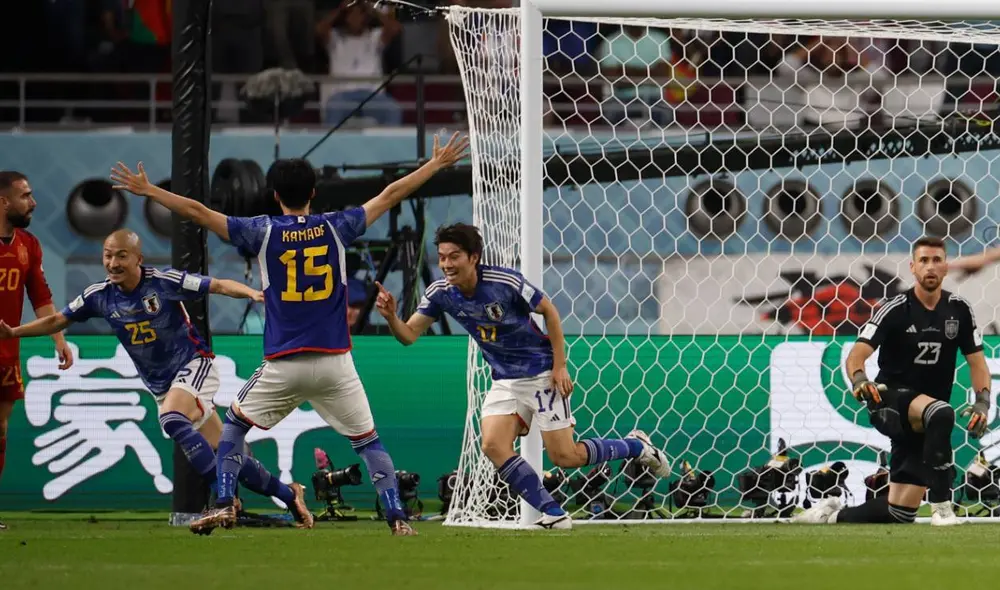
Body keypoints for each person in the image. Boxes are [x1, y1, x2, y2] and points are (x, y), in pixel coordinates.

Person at [110, 132, 469, 536]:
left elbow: (197, 212)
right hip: (336, 362)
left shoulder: (261, 231)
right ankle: (397, 517)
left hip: (285, 362)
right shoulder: (337, 227)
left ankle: (226, 502)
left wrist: (148, 190)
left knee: (232, 426)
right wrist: (435, 165)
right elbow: (389, 194)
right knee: (368, 442)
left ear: (274, 195)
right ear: (314, 193)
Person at [0, 230, 314, 528]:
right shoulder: (99, 296)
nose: (113, 263)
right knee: (230, 457)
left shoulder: (163, 281)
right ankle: (290, 495)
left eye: (121, 256)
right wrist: (15, 332)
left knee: (171, 418)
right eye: (108, 256)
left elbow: (216, 285)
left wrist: (252, 294)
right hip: (162, 386)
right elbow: (57, 319)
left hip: (194, 366)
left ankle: (222, 498)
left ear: (139, 258)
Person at [374, 223, 671, 530]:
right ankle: (554, 513)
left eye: (455, 256)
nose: (447, 264)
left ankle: (636, 446)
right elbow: (408, 335)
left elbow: (550, 312)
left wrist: (560, 366)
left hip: (540, 372)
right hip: (504, 379)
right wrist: (392, 318)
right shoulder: (440, 293)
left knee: (565, 457)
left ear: (474, 257)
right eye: (442, 257)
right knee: (492, 444)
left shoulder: (505, 282)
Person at [793, 236, 991, 527]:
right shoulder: (895, 308)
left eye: (937, 260)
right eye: (923, 260)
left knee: (900, 512)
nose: (930, 267)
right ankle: (942, 508)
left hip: (927, 414)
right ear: (912, 267)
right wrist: (860, 380)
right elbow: (857, 354)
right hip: (890, 402)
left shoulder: (959, 309)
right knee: (942, 413)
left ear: (947, 267)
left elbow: (977, 362)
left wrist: (983, 402)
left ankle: (830, 514)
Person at [0, 171, 74, 531]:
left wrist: (58, 340)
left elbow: (40, 297)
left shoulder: (28, 244)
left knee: (0, 429)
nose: (33, 202)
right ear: (3, 202)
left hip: (7, 354)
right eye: (25, 196)